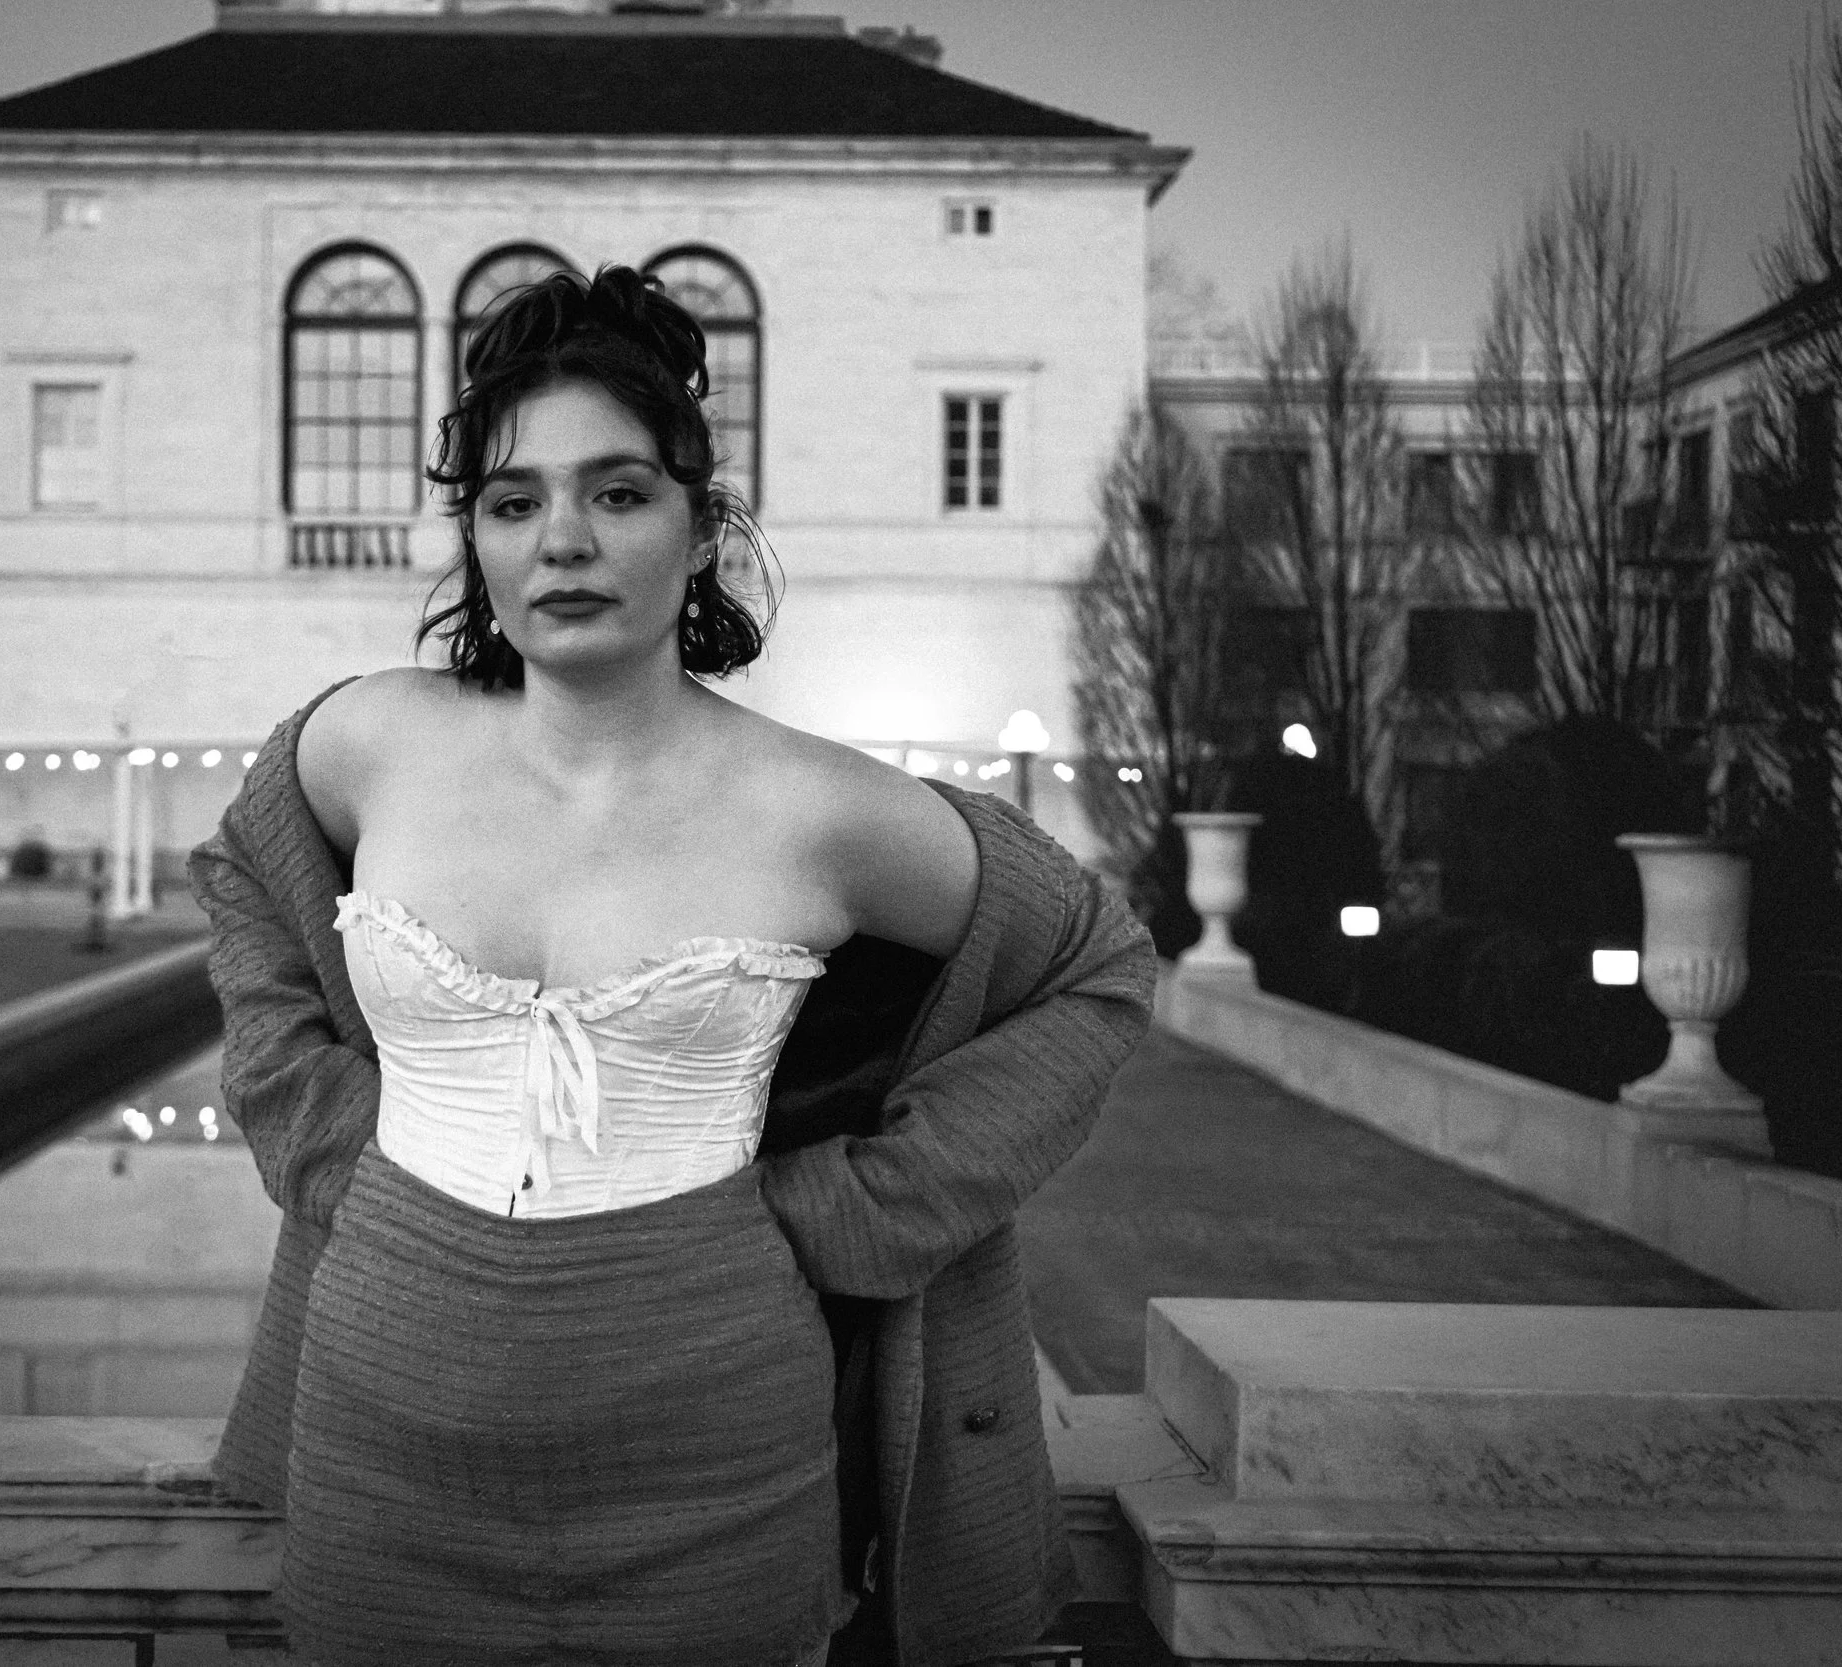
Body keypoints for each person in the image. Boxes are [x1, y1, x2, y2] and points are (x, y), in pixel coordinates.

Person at [188, 266, 1155, 1667]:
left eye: (619, 493)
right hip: (381, 1445)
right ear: (477, 540)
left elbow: (1099, 966)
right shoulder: (367, 740)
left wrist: (862, 1205)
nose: (562, 540)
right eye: (513, 503)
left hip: (715, 1461)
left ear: (703, 530)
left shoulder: (819, 808)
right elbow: (241, 874)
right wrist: (322, 1129)